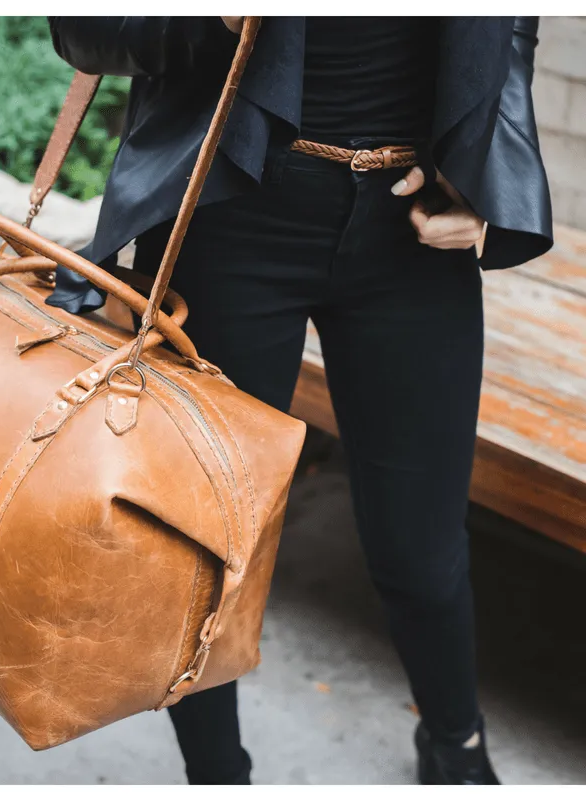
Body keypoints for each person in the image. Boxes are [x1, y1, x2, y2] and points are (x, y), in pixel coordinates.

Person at [45, 16, 553, 785]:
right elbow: (85, 29)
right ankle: (218, 775)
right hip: (232, 215)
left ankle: (457, 743)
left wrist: (488, 168)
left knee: (422, 550)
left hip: (410, 231)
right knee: (207, 545)